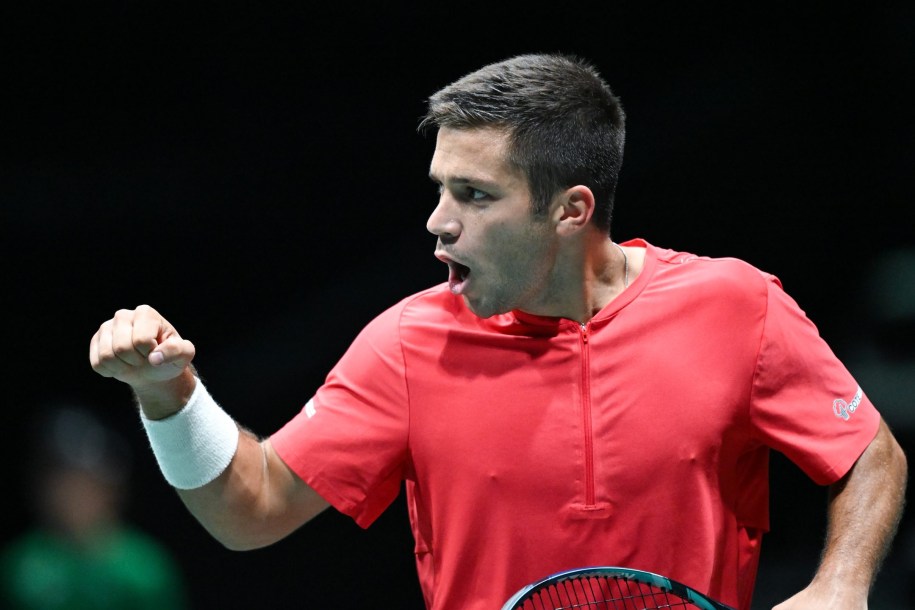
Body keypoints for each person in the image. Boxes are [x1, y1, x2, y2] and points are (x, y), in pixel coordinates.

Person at [87, 53, 906, 610]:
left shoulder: (735, 306)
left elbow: (868, 449)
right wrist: (168, 396)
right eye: (440, 189)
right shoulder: (409, 345)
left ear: (569, 209)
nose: (437, 223)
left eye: (474, 196)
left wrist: (841, 582)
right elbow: (250, 510)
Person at [1, 403, 190, 610]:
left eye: (85, 483)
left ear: (112, 489)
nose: (72, 496)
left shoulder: (145, 567)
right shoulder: (18, 565)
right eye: (62, 483)